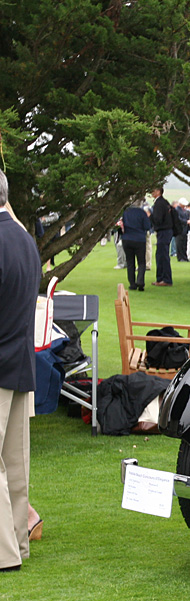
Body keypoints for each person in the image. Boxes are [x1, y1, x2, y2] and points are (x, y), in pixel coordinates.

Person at [1, 168, 42, 572]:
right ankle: (16, 543)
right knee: (15, 462)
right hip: (18, 361)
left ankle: (5, 552)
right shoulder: (24, 239)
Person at [120, 199, 151, 291]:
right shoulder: (142, 213)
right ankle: (140, 281)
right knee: (141, 262)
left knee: (130, 262)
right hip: (139, 239)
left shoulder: (125, 212)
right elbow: (147, 226)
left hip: (127, 238)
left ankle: (132, 284)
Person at [150, 187, 173, 286]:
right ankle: (160, 278)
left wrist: (149, 216)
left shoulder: (159, 204)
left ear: (158, 191)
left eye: (153, 190)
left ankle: (166, 279)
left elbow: (158, 219)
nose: (151, 192)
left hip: (164, 231)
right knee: (160, 255)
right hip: (166, 231)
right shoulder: (165, 202)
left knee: (163, 255)